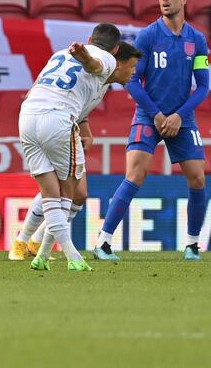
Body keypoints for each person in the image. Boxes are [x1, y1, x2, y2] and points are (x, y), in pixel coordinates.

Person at [94, 0, 210, 262]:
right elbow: (131, 80)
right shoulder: (147, 36)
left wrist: (178, 116)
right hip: (149, 115)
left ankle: (193, 245)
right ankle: (103, 242)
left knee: (198, 178)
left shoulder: (197, 40)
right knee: (135, 174)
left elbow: (204, 86)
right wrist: (158, 114)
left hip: (182, 118)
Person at [18, 23, 141, 272]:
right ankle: (72, 256)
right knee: (69, 193)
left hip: (27, 117)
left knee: (51, 193)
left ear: (89, 38)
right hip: (58, 119)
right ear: (116, 49)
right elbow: (94, 65)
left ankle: (40, 255)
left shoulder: (59, 54)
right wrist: (85, 55)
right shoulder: (106, 58)